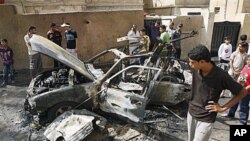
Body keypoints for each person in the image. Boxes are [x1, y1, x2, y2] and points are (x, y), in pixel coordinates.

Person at [187, 44, 247, 141]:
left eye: (192, 62)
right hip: (191, 113)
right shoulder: (195, 68)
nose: (190, 64)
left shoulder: (221, 76)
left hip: (206, 118)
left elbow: (243, 92)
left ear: (202, 62)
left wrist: (223, 108)